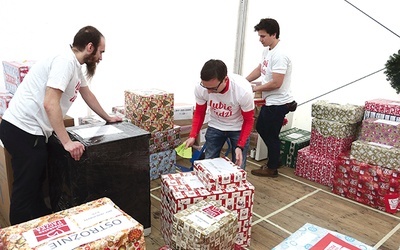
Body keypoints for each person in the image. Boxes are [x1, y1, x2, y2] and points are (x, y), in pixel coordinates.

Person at [0, 25, 122, 225]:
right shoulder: (64, 62)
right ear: (90, 47)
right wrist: (66, 142)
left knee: (37, 181)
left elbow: (86, 93)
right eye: (101, 52)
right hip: (23, 130)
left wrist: (107, 117)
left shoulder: (74, 65)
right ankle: (16, 239)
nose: (101, 58)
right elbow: (50, 103)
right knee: (25, 189)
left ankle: (43, 224)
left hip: (31, 131)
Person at [246, 18, 296, 178]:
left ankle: (272, 167)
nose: (260, 39)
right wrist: (244, 81)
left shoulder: (280, 54)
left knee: (268, 133)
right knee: (263, 129)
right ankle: (276, 159)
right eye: (259, 36)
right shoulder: (267, 51)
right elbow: (260, 69)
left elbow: (276, 83)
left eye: (263, 36)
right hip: (271, 101)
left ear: (274, 34)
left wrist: (255, 88)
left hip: (278, 102)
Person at [184, 59, 254, 169]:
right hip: (215, 125)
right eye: (205, 87)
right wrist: (193, 135)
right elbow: (199, 112)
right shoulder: (200, 88)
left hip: (238, 127)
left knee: (239, 166)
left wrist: (240, 145)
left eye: (213, 88)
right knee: (209, 163)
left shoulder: (242, 91)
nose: (208, 92)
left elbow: (249, 120)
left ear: (225, 80)